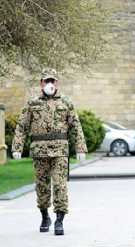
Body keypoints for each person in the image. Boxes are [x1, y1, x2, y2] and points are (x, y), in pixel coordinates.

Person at [12, 68, 87, 235]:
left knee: (60, 185)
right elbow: (22, 126)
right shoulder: (32, 103)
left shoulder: (66, 102)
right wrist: (17, 147)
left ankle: (59, 220)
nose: (50, 84)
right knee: (42, 187)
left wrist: (80, 148)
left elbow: (76, 126)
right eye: (47, 81)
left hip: (60, 151)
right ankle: (45, 216)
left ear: (57, 83)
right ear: (41, 83)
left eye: (52, 81)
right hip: (40, 151)